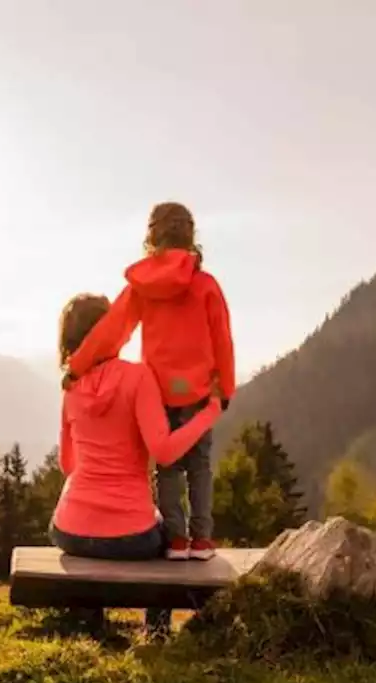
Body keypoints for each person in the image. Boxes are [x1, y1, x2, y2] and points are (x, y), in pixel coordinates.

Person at [62, 201, 235, 561]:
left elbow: (112, 330)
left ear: (151, 239)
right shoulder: (206, 286)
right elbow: (222, 339)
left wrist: (78, 366)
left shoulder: (143, 287)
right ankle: (201, 540)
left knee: (167, 470)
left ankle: (175, 541)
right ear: (191, 238)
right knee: (200, 468)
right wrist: (226, 389)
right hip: (200, 393)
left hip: (159, 392)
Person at [51, 292, 224, 635]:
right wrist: (209, 413)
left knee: (107, 542)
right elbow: (164, 451)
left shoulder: (70, 388)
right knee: (170, 538)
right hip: (130, 534)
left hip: (68, 529)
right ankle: (156, 631)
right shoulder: (138, 377)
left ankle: (90, 624)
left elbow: (68, 465)